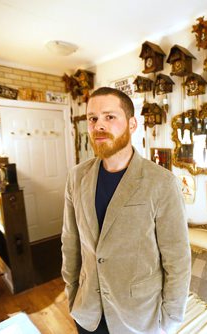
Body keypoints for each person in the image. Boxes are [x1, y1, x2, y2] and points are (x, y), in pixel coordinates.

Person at [61, 87, 191, 334]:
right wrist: (72, 295)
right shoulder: (76, 177)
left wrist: (170, 321)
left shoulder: (161, 182)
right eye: (93, 118)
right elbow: (70, 242)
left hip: (138, 318)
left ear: (132, 124)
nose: (99, 125)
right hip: (88, 313)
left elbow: (177, 259)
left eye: (110, 117)